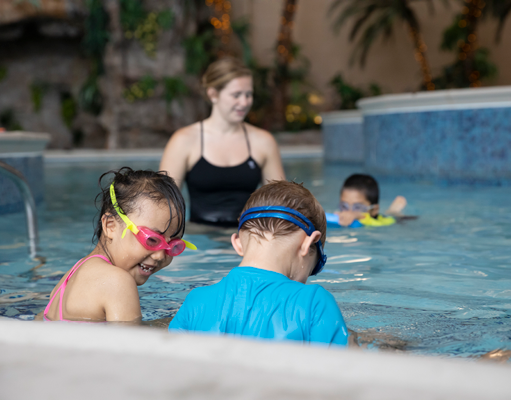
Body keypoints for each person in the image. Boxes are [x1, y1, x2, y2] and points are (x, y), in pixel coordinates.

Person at [168, 180, 349, 346]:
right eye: (314, 268)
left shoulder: (196, 300)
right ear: (307, 244)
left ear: (238, 244)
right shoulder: (315, 303)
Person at [36, 167, 196, 323]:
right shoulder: (117, 281)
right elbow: (131, 345)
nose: (160, 255)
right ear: (110, 226)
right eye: (152, 240)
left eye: (173, 245)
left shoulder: (69, 277)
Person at [160, 57, 285, 227]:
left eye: (248, 94)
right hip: (200, 236)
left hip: (246, 234)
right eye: (236, 95)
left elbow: (282, 201)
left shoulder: (263, 141)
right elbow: (162, 203)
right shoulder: (184, 140)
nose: (244, 102)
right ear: (213, 94)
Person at [328, 174, 407, 228]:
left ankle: (393, 211)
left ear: (374, 210)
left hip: (387, 218)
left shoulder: (382, 223)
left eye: (358, 207)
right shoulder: (337, 216)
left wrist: (358, 216)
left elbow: (371, 222)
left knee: (392, 215)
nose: (349, 212)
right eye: (344, 206)